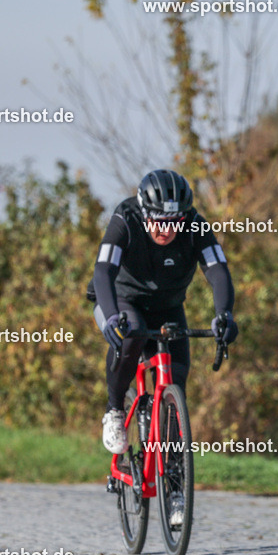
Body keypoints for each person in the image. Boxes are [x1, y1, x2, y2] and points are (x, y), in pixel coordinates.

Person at [88, 170, 238, 480]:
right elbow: (102, 271)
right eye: (158, 221)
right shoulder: (125, 218)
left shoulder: (194, 225)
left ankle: (174, 479)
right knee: (130, 334)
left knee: (177, 381)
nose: (166, 230)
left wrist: (224, 314)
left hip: (168, 307)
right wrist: (111, 317)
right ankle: (115, 410)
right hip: (122, 301)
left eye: (174, 222)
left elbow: (218, 270)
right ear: (144, 213)